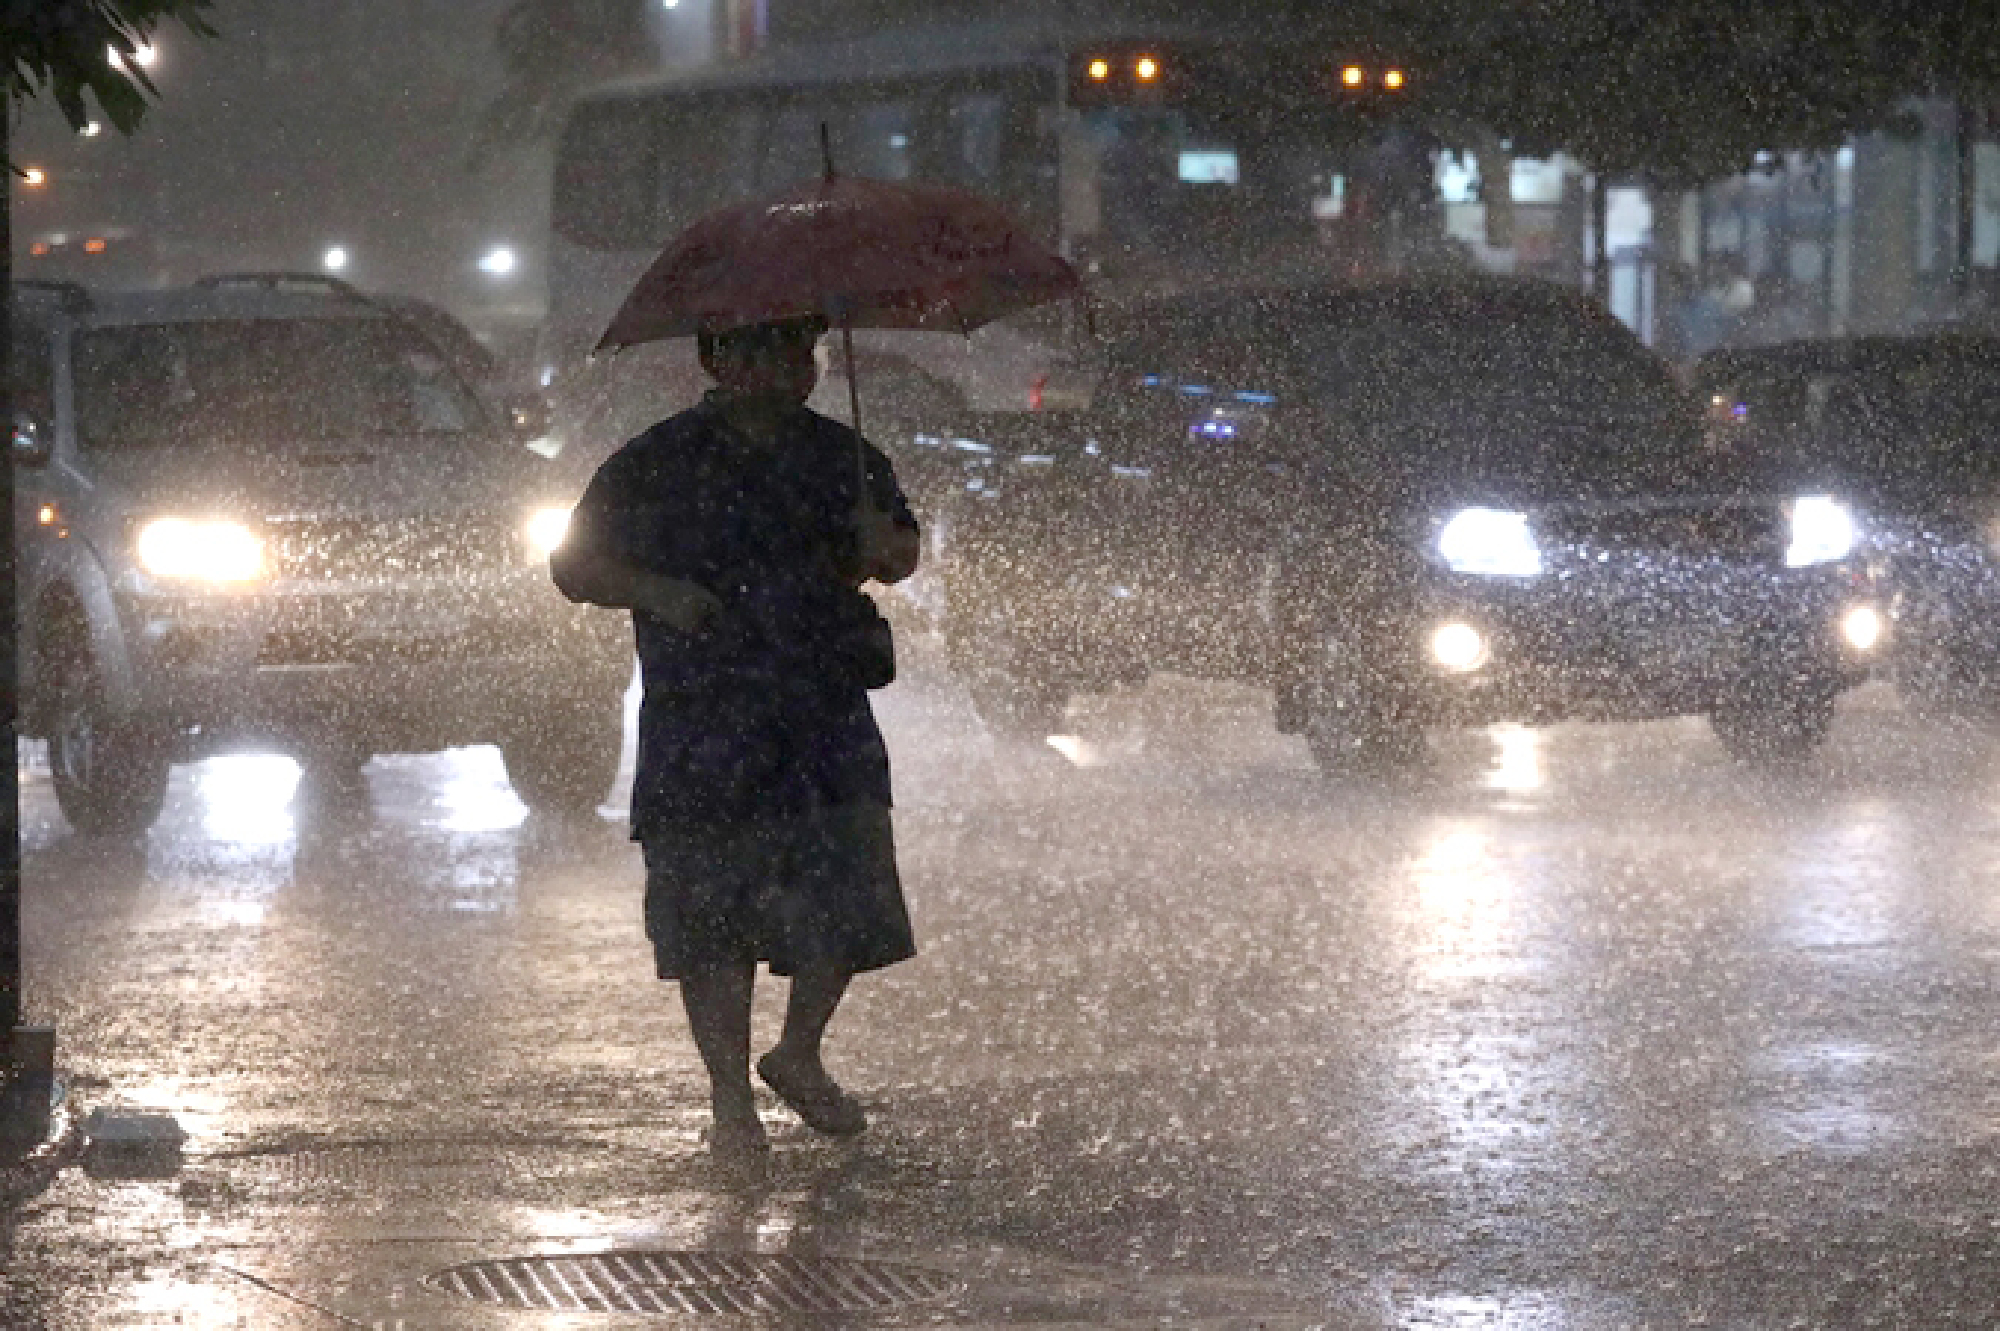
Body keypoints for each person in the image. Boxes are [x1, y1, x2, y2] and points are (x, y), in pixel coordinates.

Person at [551, 315, 922, 1159]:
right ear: (715, 358)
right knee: (710, 917)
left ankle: (799, 1052)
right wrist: (660, 592)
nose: (786, 368)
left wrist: (887, 547)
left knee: (844, 892)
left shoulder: (843, 456)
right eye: (760, 350)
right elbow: (574, 566)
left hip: (821, 712)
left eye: (798, 351)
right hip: (703, 719)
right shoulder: (656, 461)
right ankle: (730, 1100)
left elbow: (900, 550)